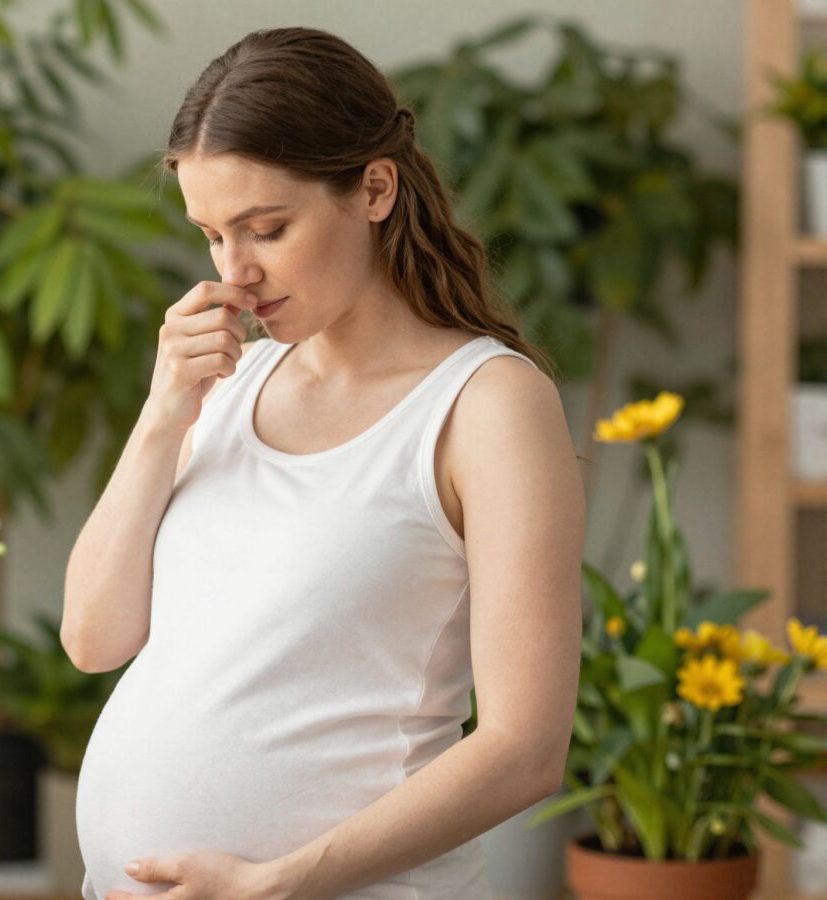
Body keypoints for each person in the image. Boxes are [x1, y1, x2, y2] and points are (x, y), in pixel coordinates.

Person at [63, 25, 585, 900]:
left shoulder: (486, 406)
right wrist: (162, 414)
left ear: (374, 189)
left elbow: (525, 749)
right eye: (212, 235)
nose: (236, 272)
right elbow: (93, 638)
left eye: (266, 229)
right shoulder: (229, 383)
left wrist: (273, 884)